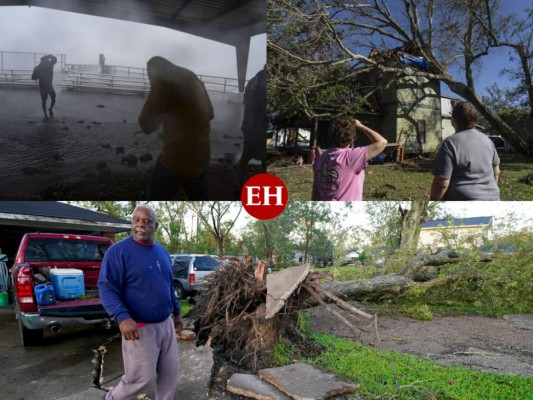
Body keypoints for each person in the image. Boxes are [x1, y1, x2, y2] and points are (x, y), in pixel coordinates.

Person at [98, 204, 182, 400]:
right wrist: (122, 317)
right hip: (139, 327)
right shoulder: (118, 252)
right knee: (140, 378)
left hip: (165, 325)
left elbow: (167, 285)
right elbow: (106, 287)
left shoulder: (162, 251)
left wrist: (177, 313)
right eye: (136, 220)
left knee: (170, 374)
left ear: (156, 225)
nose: (141, 225)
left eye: (147, 221)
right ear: (132, 223)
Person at [139, 56, 214, 200]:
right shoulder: (192, 76)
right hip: (203, 156)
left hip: (176, 158)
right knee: (198, 194)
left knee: (156, 196)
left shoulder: (161, 80)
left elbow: (146, 125)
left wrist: (153, 97)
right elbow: (209, 114)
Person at [430, 101, 500, 200]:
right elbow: (496, 172)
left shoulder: (450, 143)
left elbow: (441, 183)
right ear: (475, 120)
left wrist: (433, 205)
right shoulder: (488, 141)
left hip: (463, 204)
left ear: (453, 120)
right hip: (493, 200)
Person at [312, 116, 388, 201]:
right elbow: (382, 142)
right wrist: (361, 126)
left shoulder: (321, 158)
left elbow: (316, 187)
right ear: (352, 138)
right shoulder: (352, 156)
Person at [236, 65, 267, 189]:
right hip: (259, 127)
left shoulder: (251, 82)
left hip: (248, 125)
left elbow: (245, 103)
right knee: (264, 160)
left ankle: (238, 185)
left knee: (245, 157)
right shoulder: (263, 82)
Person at [31, 54, 57, 119]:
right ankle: (45, 114)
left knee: (53, 98)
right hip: (42, 87)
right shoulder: (37, 68)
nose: (48, 61)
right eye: (47, 60)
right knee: (44, 101)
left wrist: (49, 56)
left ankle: (50, 108)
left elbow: (55, 60)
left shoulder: (50, 65)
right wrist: (39, 75)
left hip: (49, 85)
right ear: (42, 61)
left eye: (48, 60)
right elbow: (33, 77)